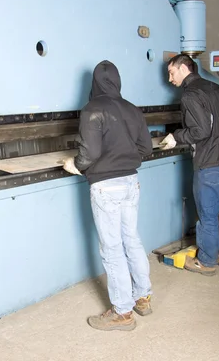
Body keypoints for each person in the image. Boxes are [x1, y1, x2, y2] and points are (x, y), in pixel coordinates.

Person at [62, 60, 154, 332]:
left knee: (112, 249)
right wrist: (124, 159)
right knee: (132, 240)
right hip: (131, 182)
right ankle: (143, 297)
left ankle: (122, 314)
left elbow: (88, 154)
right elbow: (146, 149)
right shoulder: (132, 109)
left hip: (106, 186)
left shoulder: (92, 109)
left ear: (94, 83)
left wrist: (74, 165)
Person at [159, 54, 219, 276]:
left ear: (184, 68)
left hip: (210, 164)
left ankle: (206, 262)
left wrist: (176, 136)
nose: (170, 79)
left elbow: (201, 131)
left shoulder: (190, 95)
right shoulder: (218, 89)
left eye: (171, 72)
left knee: (207, 214)